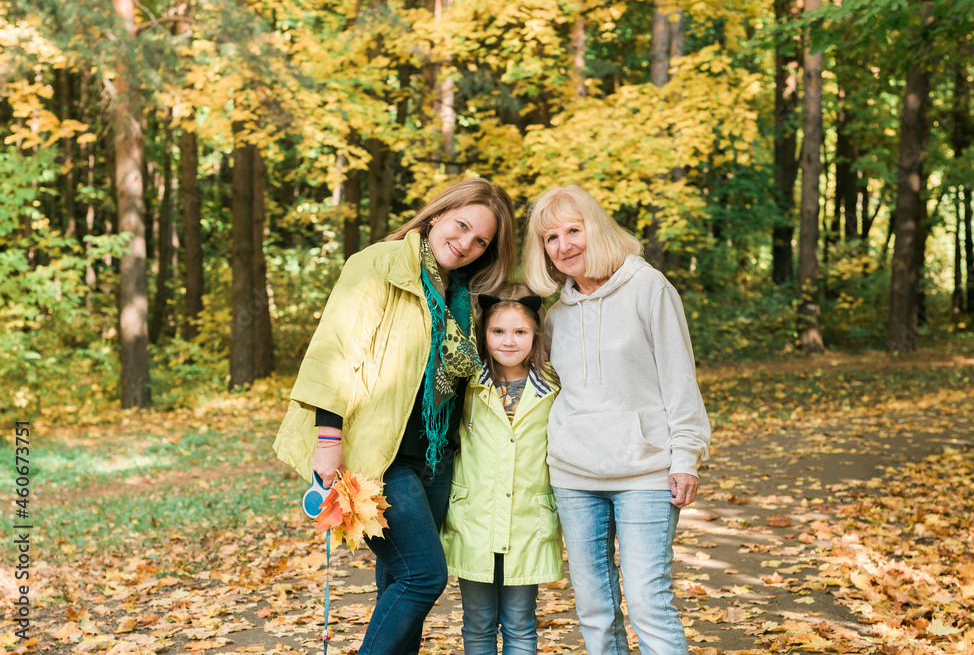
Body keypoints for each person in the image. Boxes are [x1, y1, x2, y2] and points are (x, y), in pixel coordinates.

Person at [273, 178, 516, 654]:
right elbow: (335, 352)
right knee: (423, 576)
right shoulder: (376, 265)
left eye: (480, 240)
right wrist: (327, 438)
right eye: (461, 225)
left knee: (397, 583)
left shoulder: (465, 295)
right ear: (436, 216)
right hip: (378, 457)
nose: (465, 242)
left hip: (436, 456)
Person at [523, 185, 711, 655]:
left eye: (573, 230)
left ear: (596, 228)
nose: (563, 246)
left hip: (645, 474)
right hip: (573, 476)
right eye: (550, 238)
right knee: (594, 609)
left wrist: (686, 457)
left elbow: (679, 379)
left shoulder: (650, 288)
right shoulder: (553, 316)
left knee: (649, 601)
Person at [440, 283, 563, 655]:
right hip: (474, 520)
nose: (509, 341)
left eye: (520, 332)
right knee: (476, 625)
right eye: (498, 331)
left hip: (528, 522)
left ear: (535, 334)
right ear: (484, 333)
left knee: (521, 625)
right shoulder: (468, 385)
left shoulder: (554, 386)